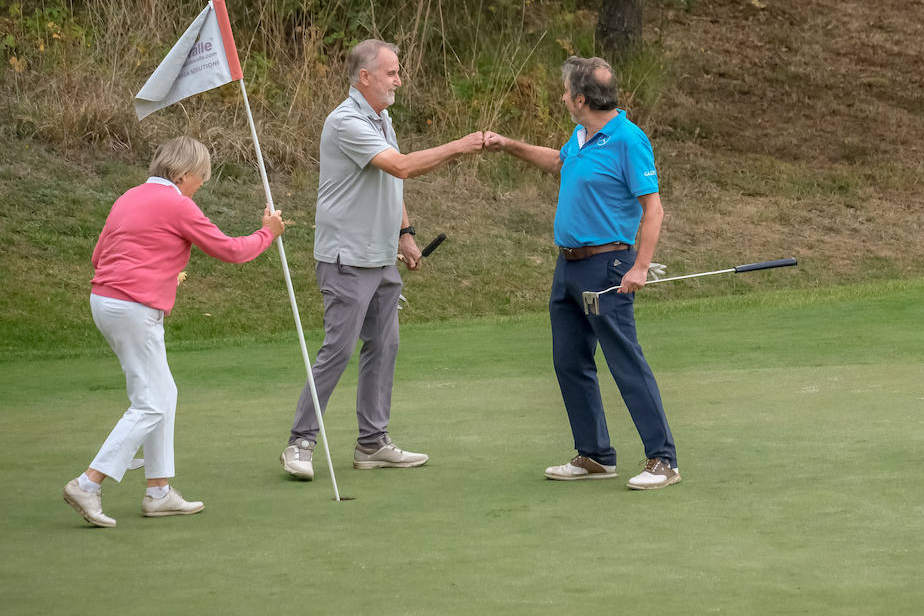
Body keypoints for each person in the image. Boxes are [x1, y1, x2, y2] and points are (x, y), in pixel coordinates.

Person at [280, 38, 484, 480]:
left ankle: (372, 443)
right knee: (337, 349)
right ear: (364, 77)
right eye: (391, 72)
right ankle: (300, 441)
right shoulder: (344, 122)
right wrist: (458, 146)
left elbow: (391, 185)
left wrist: (406, 234)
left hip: (380, 257)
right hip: (346, 258)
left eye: (398, 71)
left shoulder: (381, 118)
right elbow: (402, 167)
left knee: (384, 346)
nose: (398, 79)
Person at [63, 136, 286, 528]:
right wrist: (268, 231)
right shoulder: (177, 204)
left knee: (162, 394)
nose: (200, 184)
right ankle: (88, 482)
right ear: (182, 174)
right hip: (134, 307)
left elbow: (99, 256)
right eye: (200, 177)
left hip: (106, 300)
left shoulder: (128, 197)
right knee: (150, 402)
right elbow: (232, 250)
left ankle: (159, 490)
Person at [483, 56, 680, 490]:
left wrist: (641, 266)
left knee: (624, 360)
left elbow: (653, 208)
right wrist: (508, 145)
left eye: (565, 91)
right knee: (569, 361)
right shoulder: (582, 135)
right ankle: (594, 454)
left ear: (580, 98)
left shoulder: (628, 140)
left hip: (607, 265)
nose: (561, 97)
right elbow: (559, 163)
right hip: (568, 266)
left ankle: (663, 459)